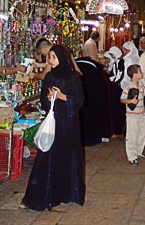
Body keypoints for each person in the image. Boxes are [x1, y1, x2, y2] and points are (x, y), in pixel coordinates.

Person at [20, 45, 85, 211]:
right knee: (46, 157)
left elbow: (79, 101)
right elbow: (44, 99)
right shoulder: (49, 76)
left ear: (62, 58)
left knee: (66, 157)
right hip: (53, 122)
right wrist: (49, 98)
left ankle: (66, 193)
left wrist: (62, 96)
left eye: (54, 57)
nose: (51, 60)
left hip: (68, 124)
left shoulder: (73, 77)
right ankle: (39, 197)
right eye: (50, 57)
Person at [120, 64, 145, 165]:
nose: (142, 73)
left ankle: (138, 151)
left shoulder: (141, 85)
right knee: (132, 134)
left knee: (143, 132)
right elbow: (122, 99)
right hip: (132, 115)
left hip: (142, 113)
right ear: (135, 74)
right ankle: (132, 156)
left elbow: (144, 94)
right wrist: (130, 101)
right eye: (140, 72)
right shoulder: (128, 87)